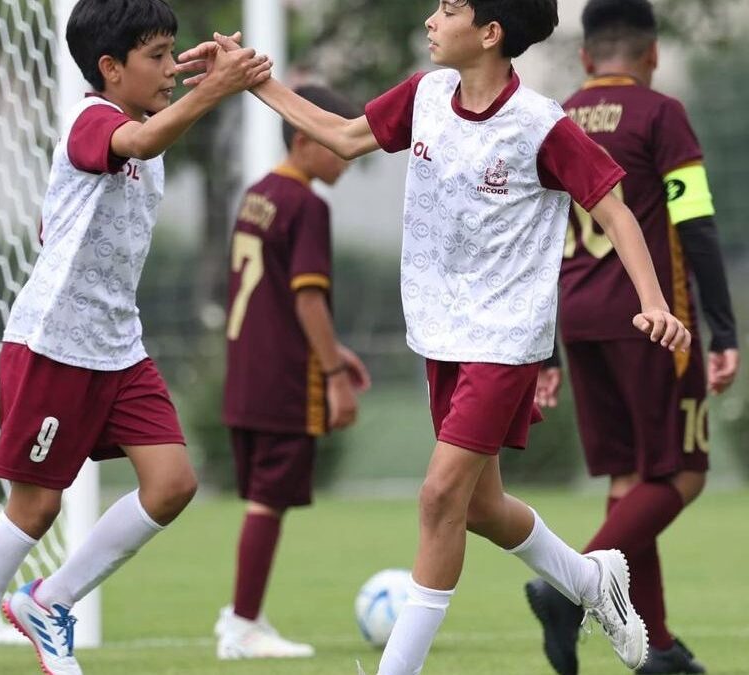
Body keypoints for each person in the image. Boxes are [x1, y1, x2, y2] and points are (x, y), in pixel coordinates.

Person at [179, 0, 696, 671]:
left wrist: (652, 300)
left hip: (504, 340)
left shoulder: (540, 125)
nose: (430, 16)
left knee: (439, 497)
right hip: (440, 334)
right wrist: (257, 81)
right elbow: (340, 135)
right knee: (481, 506)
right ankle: (593, 582)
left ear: (489, 33)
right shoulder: (425, 96)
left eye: (448, 7)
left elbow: (615, 210)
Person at [0, 2, 272, 674]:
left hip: (117, 344)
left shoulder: (145, 129)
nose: (171, 68)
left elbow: (71, 218)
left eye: (174, 53)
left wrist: (209, 80)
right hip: (55, 342)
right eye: (157, 55)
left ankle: (49, 602)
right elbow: (136, 144)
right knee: (36, 507)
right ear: (109, 68)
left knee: (171, 482)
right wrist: (212, 91)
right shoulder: (93, 120)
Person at [523, 2, 740, 674]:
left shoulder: (553, 118)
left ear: (587, 58)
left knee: (630, 479)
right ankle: (572, 588)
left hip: (577, 319)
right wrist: (724, 328)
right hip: (653, 321)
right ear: (650, 56)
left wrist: (545, 346)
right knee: (685, 471)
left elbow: (532, 242)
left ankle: (659, 648)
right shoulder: (660, 114)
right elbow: (695, 221)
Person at [214, 85, 371, 659]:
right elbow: (306, 300)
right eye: (336, 140)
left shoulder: (258, 193)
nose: (348, 154)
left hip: (246, 371)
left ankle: (241, 616)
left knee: (262, 497)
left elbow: (276, 295)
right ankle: (242, 625)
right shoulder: (308, 205)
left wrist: (337, 348)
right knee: (268, 502)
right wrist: (333, 375)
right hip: (284, 379)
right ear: (304, 138)